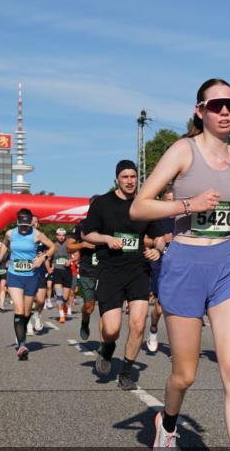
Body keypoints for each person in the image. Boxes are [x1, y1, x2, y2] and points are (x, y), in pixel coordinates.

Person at [130, 78, 230, 451]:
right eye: (217, 105)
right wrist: (188, 206)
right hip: (184, 266)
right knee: (185, 375)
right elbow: (139, 206)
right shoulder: (182, 151)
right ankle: (167, 424)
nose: (225, 112)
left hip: (227, 266)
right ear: (200, 111)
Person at [80, 160, 165, 390]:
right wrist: (106, 239)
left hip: (138, 269)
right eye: (125, 177)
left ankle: (126, 372)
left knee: (138, 324)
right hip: (110, 270)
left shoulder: (144, 205)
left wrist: (157, 249)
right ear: (117, 178)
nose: (129, 181)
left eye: (133, 177)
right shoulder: (103, 204)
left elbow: (158, 235)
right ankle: (107, 349)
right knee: (112, 329)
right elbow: (86, 234)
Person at [0, 209, 56, 360]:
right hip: (14, 275)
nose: (25, 228)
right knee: (18, 309)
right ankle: (21, 345)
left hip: (31, 277)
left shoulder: (37, 234)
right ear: (17, 222)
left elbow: (52, 247)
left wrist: (42, 257)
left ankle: (21, 332)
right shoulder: (10, 233)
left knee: (26, 313)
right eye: (22, 225)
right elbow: (5, 244)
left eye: (27, 225)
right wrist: (0, 256)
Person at [67, 195, 102, 341]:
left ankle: (104, 345)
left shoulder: (111, 224)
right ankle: (85, 321)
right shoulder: (82, 225)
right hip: (88, 271)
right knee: (89, 307)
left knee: (106, 310)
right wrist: (83, 245)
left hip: (107, 270)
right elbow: (69, 246)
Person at [146, 189, 175, 354]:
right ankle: (153, 328)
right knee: (159, 308)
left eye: (174, 199)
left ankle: (178, 347)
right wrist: (160, 239)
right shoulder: (155, 218)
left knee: (179, 307)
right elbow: (144, 239)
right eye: (169, 200)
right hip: (160, 264)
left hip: (180, 265)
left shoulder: (184, 219)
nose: (172, 203)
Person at [49, 228, 73, 320]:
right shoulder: (53, 246)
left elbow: (78, 255)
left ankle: (64, 305)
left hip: (67, 271)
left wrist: (71, 260)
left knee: (65, 297)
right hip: (57, 272)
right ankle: (61, 315)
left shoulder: (69, 245)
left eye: (63, 235)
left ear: (65, 236)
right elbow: (48, 258)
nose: (61, 237)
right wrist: (49, 268)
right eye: (59, 235)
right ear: (57, 236)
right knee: (59, 294)